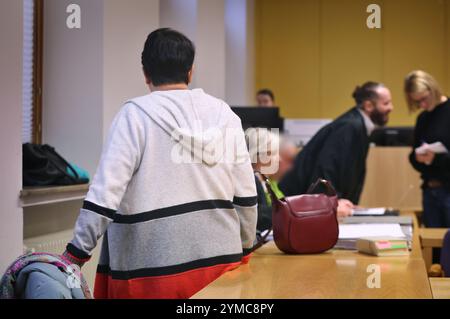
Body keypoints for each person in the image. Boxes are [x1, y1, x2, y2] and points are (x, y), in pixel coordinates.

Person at [62, 28, 257, 299]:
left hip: (150, 271)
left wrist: (75, 255)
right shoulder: (225, 115)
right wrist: (245, 247)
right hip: (221, 265)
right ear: (190, 72)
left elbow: (105, 194)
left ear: (146, 74)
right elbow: (246, 194)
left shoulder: (133, 116)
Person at [279, 82, 394, 217]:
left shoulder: (357, 124)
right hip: (295, 203)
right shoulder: (350, 126)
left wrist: (347, 203)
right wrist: (332, 203)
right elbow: (326, 167)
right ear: (368, 106)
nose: (391, 108)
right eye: (386, 103)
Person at [405, 70, 450, 227]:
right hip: (429, 191)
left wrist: (436, 159)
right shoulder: (423, 118)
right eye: (417, 102)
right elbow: (413, 155)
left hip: (448, 190)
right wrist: (417, 158)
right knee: (432, 247)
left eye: (423, 99)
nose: (422, 105)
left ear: (433, 88)